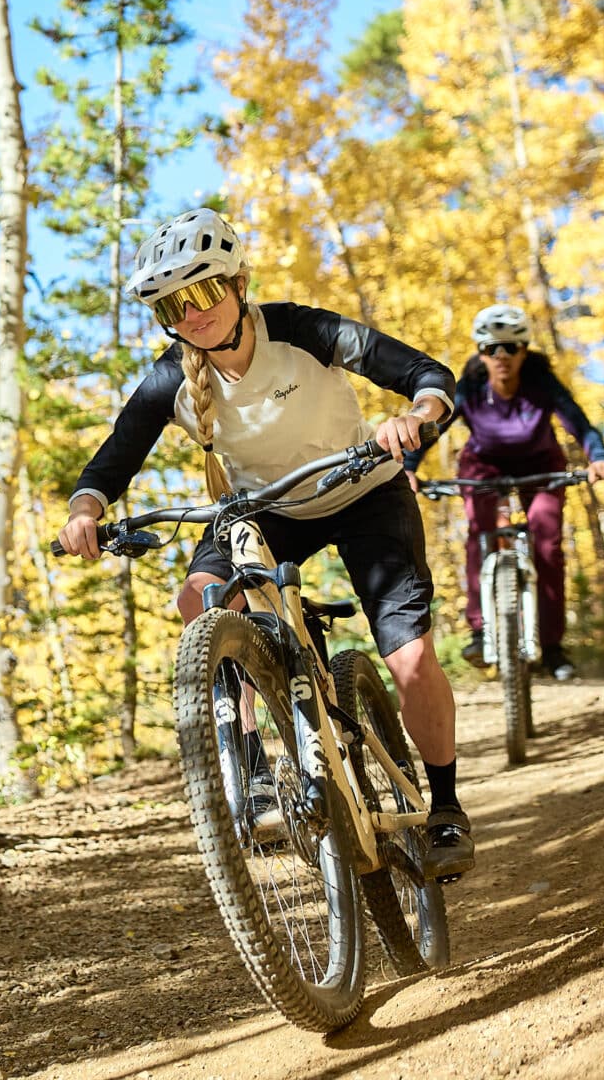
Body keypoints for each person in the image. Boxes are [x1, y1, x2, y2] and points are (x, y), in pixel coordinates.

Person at [57, 208, 473, 880]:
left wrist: (418, 416)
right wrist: (84, 509)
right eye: (172, 304)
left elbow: (424, 374)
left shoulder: (304, 330)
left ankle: (446, 804)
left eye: (202, 292)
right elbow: (115, 456)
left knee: (411, 660)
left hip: (363, 490)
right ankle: (251, 768)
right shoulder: (173, 379)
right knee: (201, 600)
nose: (191, 314)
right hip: (266, 512)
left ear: (237, 283)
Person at [407, 304, 604, 682]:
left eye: (509, 348)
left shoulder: (542, 382)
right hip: (484, 464)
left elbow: (579, 424)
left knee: (547, 542)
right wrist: (408, 468)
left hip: (541, 465)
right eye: (490, 350)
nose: (500, 357)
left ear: (523, 350)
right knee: (480, 532)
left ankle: (552, 648)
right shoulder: (469, 385)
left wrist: (597, 457)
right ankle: (481, 630)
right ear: (481, 354)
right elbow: (434, 426)